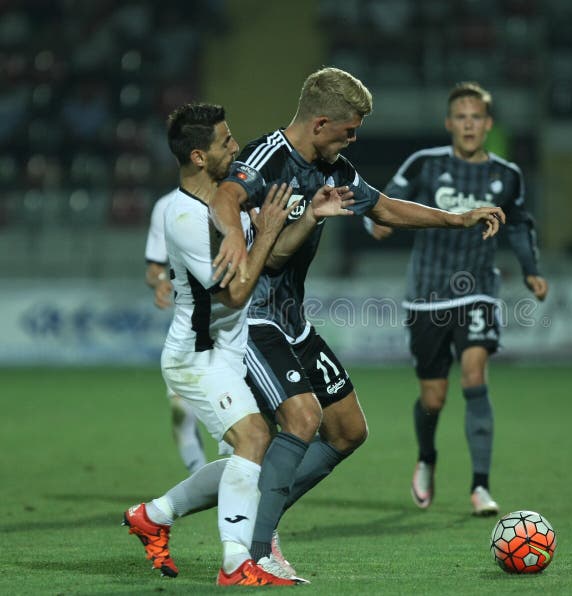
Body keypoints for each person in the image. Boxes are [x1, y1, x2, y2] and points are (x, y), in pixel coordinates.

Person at [207, 67, 507, 578]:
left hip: (291, 319)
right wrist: (235, 236)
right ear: (321, 123)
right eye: (349, 129)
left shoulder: (336, 170)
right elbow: (225, 197)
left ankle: (202, 511)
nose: (354, 137)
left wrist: (455, 218)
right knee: (302, 420)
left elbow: (386, 208)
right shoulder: (268, 156)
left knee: (347, 431)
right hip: (248, 317)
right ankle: (254, 554)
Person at [123, 102, 310, 586]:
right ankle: (235, 564)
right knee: (254, 438)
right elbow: (235, 291)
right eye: (226, 141)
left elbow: (267, 262)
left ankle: (154, 515)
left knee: (247, 454)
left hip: (228, 351)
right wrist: (267, 230)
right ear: (200, 157)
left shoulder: (230, 204)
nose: (236, 145)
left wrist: (312, 217)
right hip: (196, 356)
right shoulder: (184, 216)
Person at [367, 82, 548, 516]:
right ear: (450, 123)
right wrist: (375, 226)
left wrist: (531, 269)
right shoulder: (425, 164)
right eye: (461, 118)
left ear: (487, 124)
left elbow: (520, 225)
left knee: (473, 373)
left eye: (477, 118)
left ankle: (481, 486)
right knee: (433, 398)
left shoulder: (507, 175)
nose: (469, 125)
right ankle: (427, 458)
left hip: (479, 289)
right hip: (426, 294)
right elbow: (380, 204)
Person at [145, 191, 210, 474]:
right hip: (189, 327)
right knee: (181, 410)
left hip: (237, 322)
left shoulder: (237, 193)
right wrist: (160, 282)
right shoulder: (166, 205)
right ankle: (201, 477)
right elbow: (155, 267)